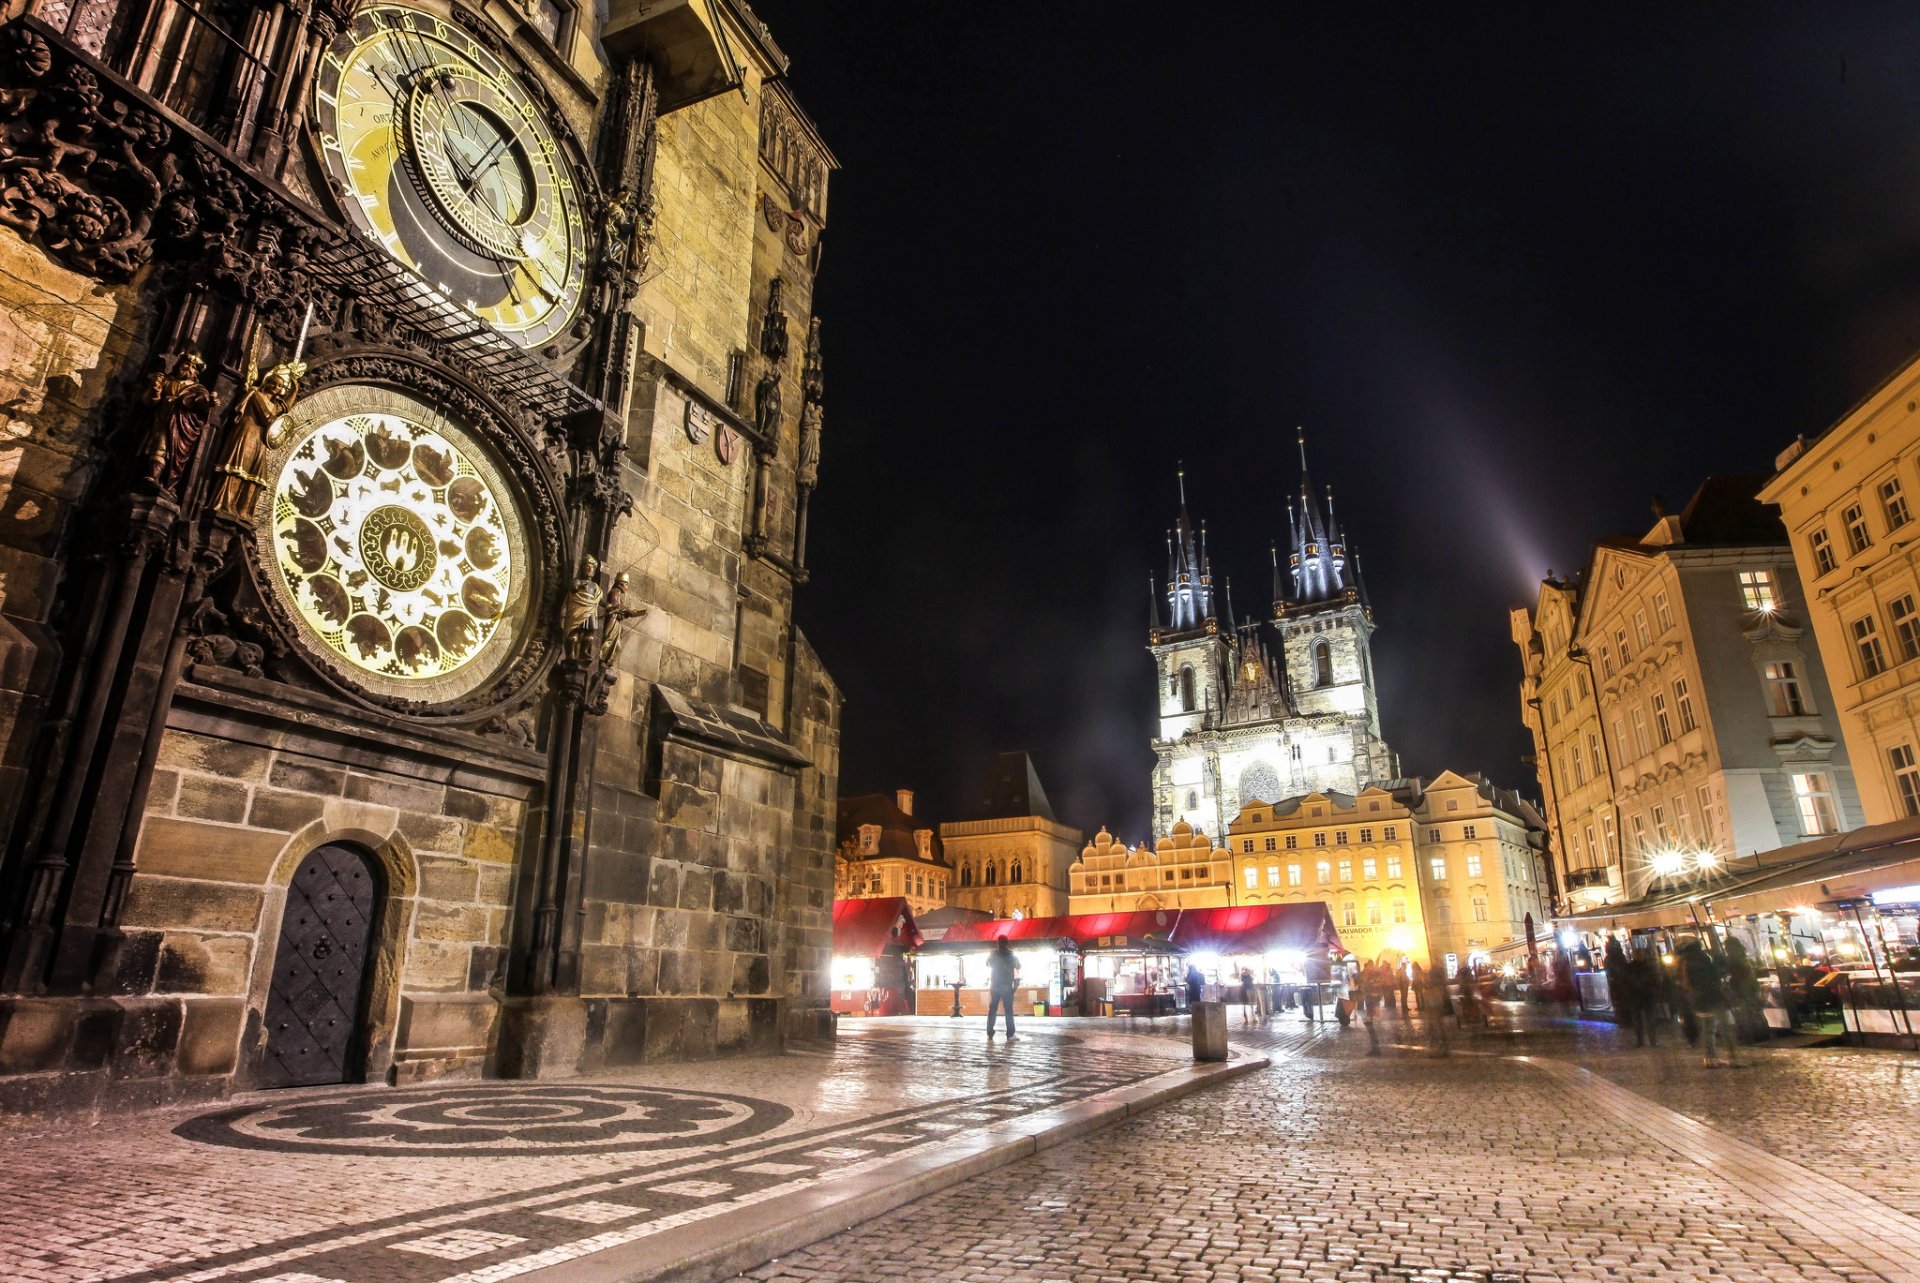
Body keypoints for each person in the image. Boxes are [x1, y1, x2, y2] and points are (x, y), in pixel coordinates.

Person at [1679, 937, 1739, 1067]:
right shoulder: (1705, 958)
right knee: (1725, 1026)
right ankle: (1733, 1057)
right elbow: (1715, 976)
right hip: (1714, 996)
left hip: (1699, 999)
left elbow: (1685, 983)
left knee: (1708, 1029)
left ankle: (1709, 1058)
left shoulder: (1684, 962)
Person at [1624, 945, 1660, 1046]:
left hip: (1646, 996)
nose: (1639, 956)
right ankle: (1642, 1040)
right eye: (1637, 954)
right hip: (1638, 996)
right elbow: (1626, 981)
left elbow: (1655, 979)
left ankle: (1651, 1040)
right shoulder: (1632, 967)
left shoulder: (1648, 966)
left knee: (1649, 1019)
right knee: (1640, 1020)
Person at [986, 938, 1019, 1040]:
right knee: (1008, 1010)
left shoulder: (993, 954)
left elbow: (987, 964)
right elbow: (1019, 966)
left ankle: (990, 1032)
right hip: (1006, 985)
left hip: (995, 984)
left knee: (992, 1009)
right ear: (1007, 943)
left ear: (998, 943)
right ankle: (1010, 1034)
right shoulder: (1011, 955)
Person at [1604, 937, 1633, 1035]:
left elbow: (1611, 970)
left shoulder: (1613, 958)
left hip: (1618, 983)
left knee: (1620, 1002)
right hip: (1619, 982)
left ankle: (1624, 1020)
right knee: (1621, 1001)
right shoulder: (1619, 956)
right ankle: (1625, 1020)